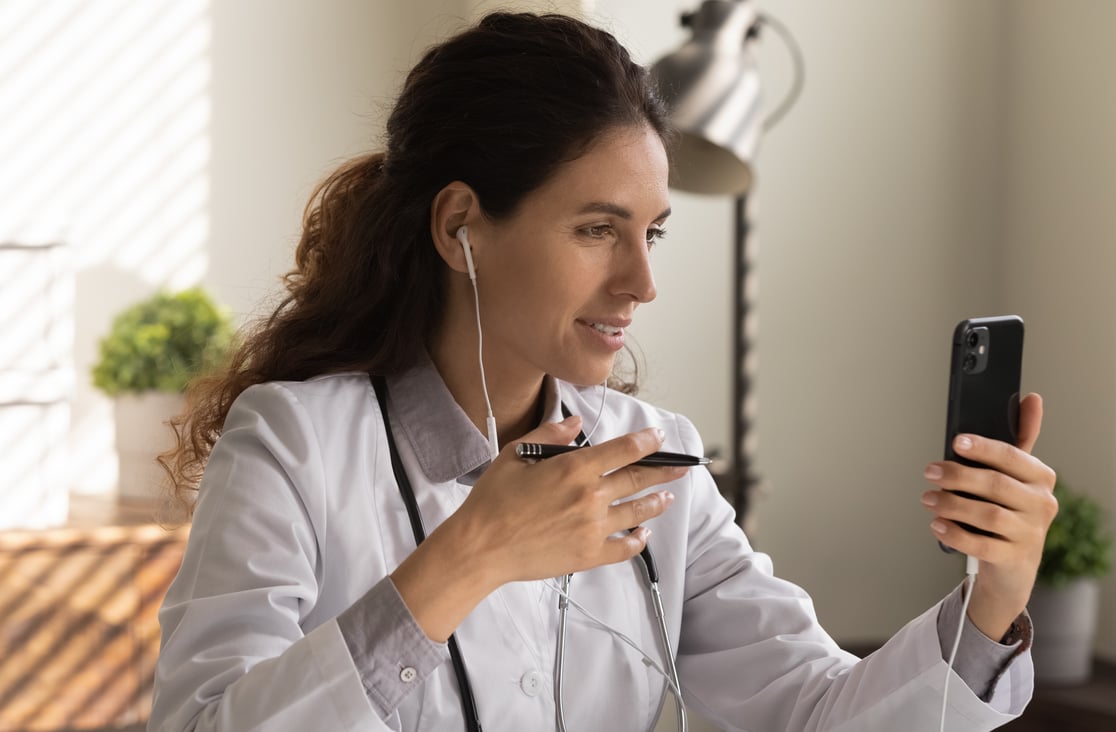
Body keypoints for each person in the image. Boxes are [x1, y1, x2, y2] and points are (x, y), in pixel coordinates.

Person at [148, 11, 1058, 732]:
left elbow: (819, 713)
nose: (642, 282)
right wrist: (470, 556)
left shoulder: (654, 461)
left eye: (651, 232)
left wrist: (996, 598)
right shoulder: (296, 442)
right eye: (596, 229)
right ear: (460, 224)